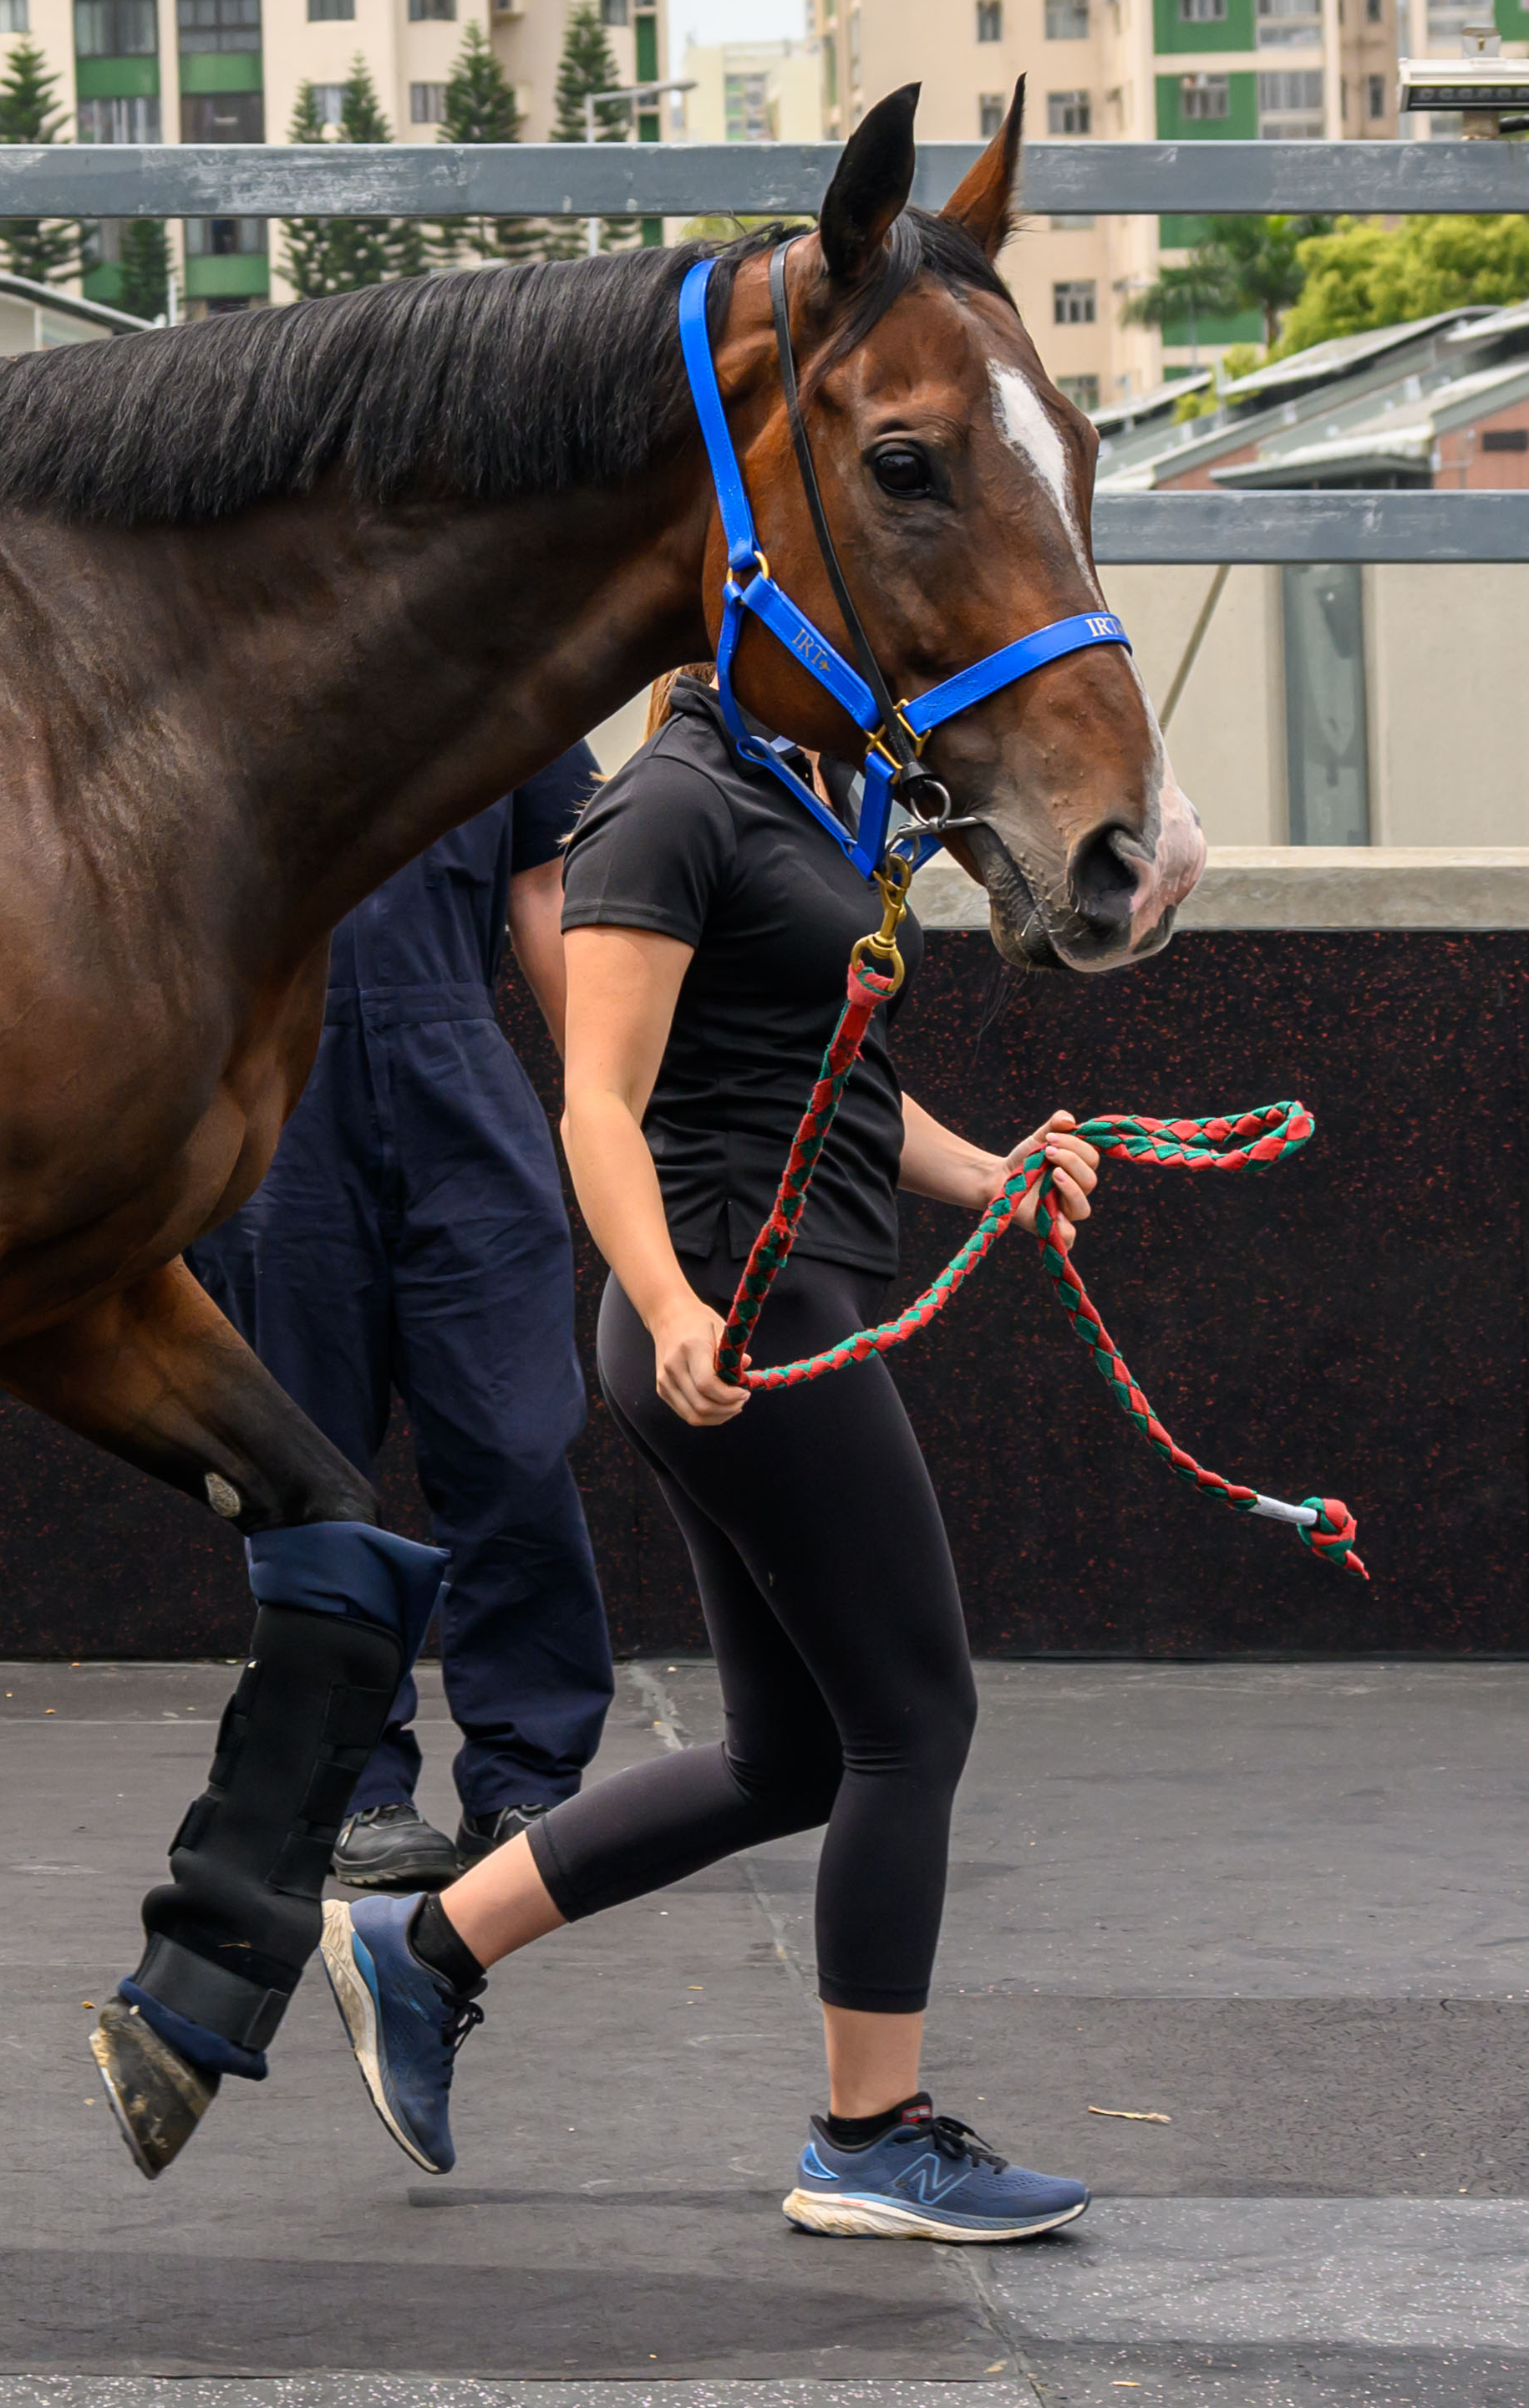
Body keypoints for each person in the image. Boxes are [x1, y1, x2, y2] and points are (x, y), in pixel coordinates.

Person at [312, 678, 1105, 2243]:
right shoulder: (665, 803)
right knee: (916, 1715)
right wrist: (673, 1303)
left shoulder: (793, 797)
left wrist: (996, 1176)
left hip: (764, 1293)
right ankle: (870, 2135)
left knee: (791, 1757)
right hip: (739, 1307)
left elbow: (839, 1093)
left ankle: (425, 1948)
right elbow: (597, 1102)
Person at [217, 747, 616, 1897]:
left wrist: (608, 1100)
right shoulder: (239, 639)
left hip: (462, 1078)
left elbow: (545, 888)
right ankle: (354, 1783)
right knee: (308, 1470)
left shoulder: (495, 662)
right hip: (281, 1101)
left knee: (515, 1442)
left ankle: (527, 1777)